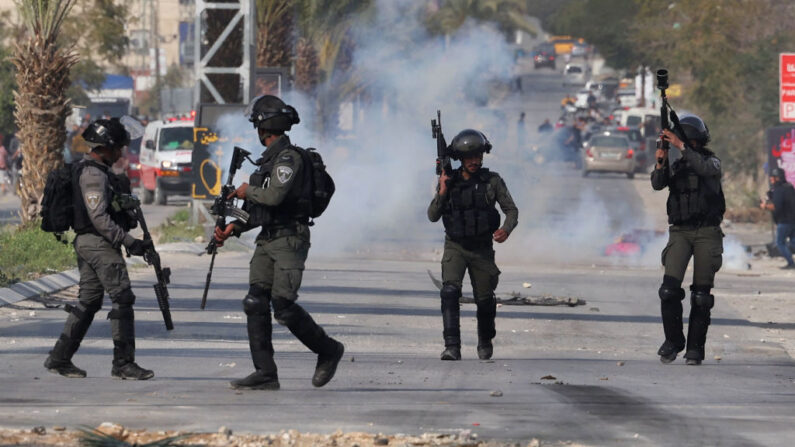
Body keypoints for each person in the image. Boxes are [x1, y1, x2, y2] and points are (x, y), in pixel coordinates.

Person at [214, 94, 344, 390]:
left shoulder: (289, 159)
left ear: (264, 128)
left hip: (289, 238)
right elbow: (258, 212)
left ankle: (328, 350)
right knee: (254, 301)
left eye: (257, 127)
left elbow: (274, 197)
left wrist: (246, 191)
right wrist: (231, 228)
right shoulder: (265, 164)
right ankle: (265, 373)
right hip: (267, 238)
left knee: (283, 306)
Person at [44, 118, 155, 380]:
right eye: (117, 148)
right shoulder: (93, 175)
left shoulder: (99, 171)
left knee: (89, 301)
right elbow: (100, 219)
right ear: (104, 147)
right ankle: (123, 363)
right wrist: (130, 243)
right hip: (97, 243)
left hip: (91, 243)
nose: (120, 153)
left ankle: (59, 358)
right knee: (123, 297)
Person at [427, 129, 518, 361]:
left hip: (482, 248)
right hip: (455, 246)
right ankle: (452, 346)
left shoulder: (492, 181)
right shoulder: (449, 180)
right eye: (470, 158)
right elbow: (432, 215)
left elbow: (511, 210)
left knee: (485, 299)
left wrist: (506, 230)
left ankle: (485, 340)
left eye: (478, 156)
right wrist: (443, 190)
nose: (475, 161)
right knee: (449, 292)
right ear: (460, 159)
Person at [651, 114, 724, 366]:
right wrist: (660, 163)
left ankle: (695, 349)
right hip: (680, 231)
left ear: (692, 141)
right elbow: (658, 185)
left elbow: (704, 168)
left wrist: (680, 146)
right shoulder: (678, 165)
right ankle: (673, 341)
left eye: (683, 141)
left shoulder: (712, 162)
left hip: (707, 232)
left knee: (701, 296)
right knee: (669, 290)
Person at [760, 167, 795, 269]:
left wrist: (764, 206)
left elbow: (776, 206)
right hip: (793, 221)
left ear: (777, 178)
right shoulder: (789, 187)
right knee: (793, 242)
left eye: (772, 178)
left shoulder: (779, 190)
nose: (771, 180)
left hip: (784, 222)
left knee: (780, 243)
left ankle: (791, 263)